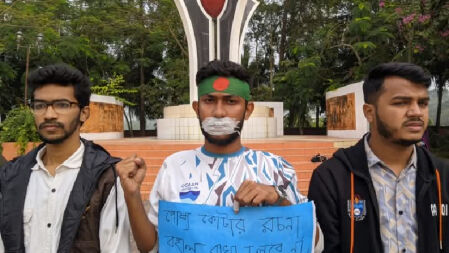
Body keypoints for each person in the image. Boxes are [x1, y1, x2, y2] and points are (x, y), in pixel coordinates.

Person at [117, 60, 323, 252]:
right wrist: (132, 195)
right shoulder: (174, 166)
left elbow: (314, 243)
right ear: (197, 109)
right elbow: (149, 246)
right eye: (209, 101)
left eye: (231, 101)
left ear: (248, 110)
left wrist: (277, 200)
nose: (219, 112)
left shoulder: (275, 168)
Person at [308, 62, 449, 253]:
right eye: (401, 103)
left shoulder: (443, 175)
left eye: (422, 103)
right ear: (369, 113)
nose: (416, 112)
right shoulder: (331, 179)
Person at [0, 64, 136, 252]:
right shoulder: (12, 175)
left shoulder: (107, 178)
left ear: (84, 113)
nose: (49, 114)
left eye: (62, 105)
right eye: (40, 105)